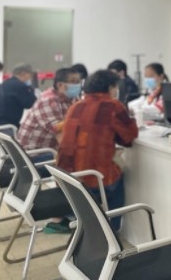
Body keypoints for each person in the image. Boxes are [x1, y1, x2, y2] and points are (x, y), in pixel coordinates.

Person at [57, 69, 138, 232]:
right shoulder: (113, 106)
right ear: (110, 88)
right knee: (119, 177)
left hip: (69, 178)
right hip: (95, 179)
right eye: (115, 87)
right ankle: (112, 230)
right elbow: (129, 137)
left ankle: (95, 228)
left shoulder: (75, 107)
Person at [17, 68, 81, 151]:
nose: (77, 85)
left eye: (78, 82)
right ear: (60, 85)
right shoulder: (48, 101)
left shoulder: (72, 98)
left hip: (50, 147)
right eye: (73, 82)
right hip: (35, 151)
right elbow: (60, 134)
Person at [0, 63, 36, 129]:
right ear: (23, 74)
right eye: (31, 76)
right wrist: (31, 87)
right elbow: (32, 103)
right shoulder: (18, 85)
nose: (31, 78)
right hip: (2, 125)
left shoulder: (8, 83)